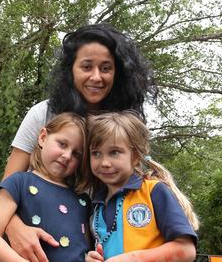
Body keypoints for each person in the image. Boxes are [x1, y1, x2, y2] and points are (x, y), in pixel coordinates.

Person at [2, 23, 157, 261]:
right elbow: (7, 184)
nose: (96, 77)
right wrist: (13, 228)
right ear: (71, 70)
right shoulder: (43, 114)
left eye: (106, 68)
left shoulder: (125, 128)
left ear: (118, 73)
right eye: (86, 66)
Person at [82, 111, 199, 262]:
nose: (104, 162)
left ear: (135, 156)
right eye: (96, 153)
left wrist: (134, 258)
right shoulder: (96, 204)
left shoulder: (153, 191)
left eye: (114, 152)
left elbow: (186, 250)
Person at [0, 113, 92, 261]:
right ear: (43, 137)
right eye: (62, 144)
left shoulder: (82, 200)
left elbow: (81, 249)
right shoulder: (18, 183)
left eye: (76, 154)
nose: (67, 155)